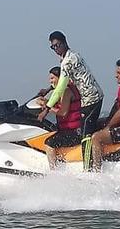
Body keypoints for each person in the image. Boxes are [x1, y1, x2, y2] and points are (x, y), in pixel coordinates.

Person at [38, 31, 104, 170]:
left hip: (91, 99)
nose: (56, 49)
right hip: (90, 96)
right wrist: (48, 89)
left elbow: (61, 86)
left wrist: (47, 109)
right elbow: (64, 79)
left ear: (64, 42)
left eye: (57, 45)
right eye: (53, 47)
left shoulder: (68, 61)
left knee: (86, 136)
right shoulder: (70, 56)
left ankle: (91, 170)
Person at [37, 67, 83, 169]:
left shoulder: (66, 91)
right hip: (69, 129)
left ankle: (54, 172)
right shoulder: (62, 90)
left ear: (60, 79)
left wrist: (47, 105)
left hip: (74, 132)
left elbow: (63, 113)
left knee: (49, 143)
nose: (50, 81)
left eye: (52, 78)